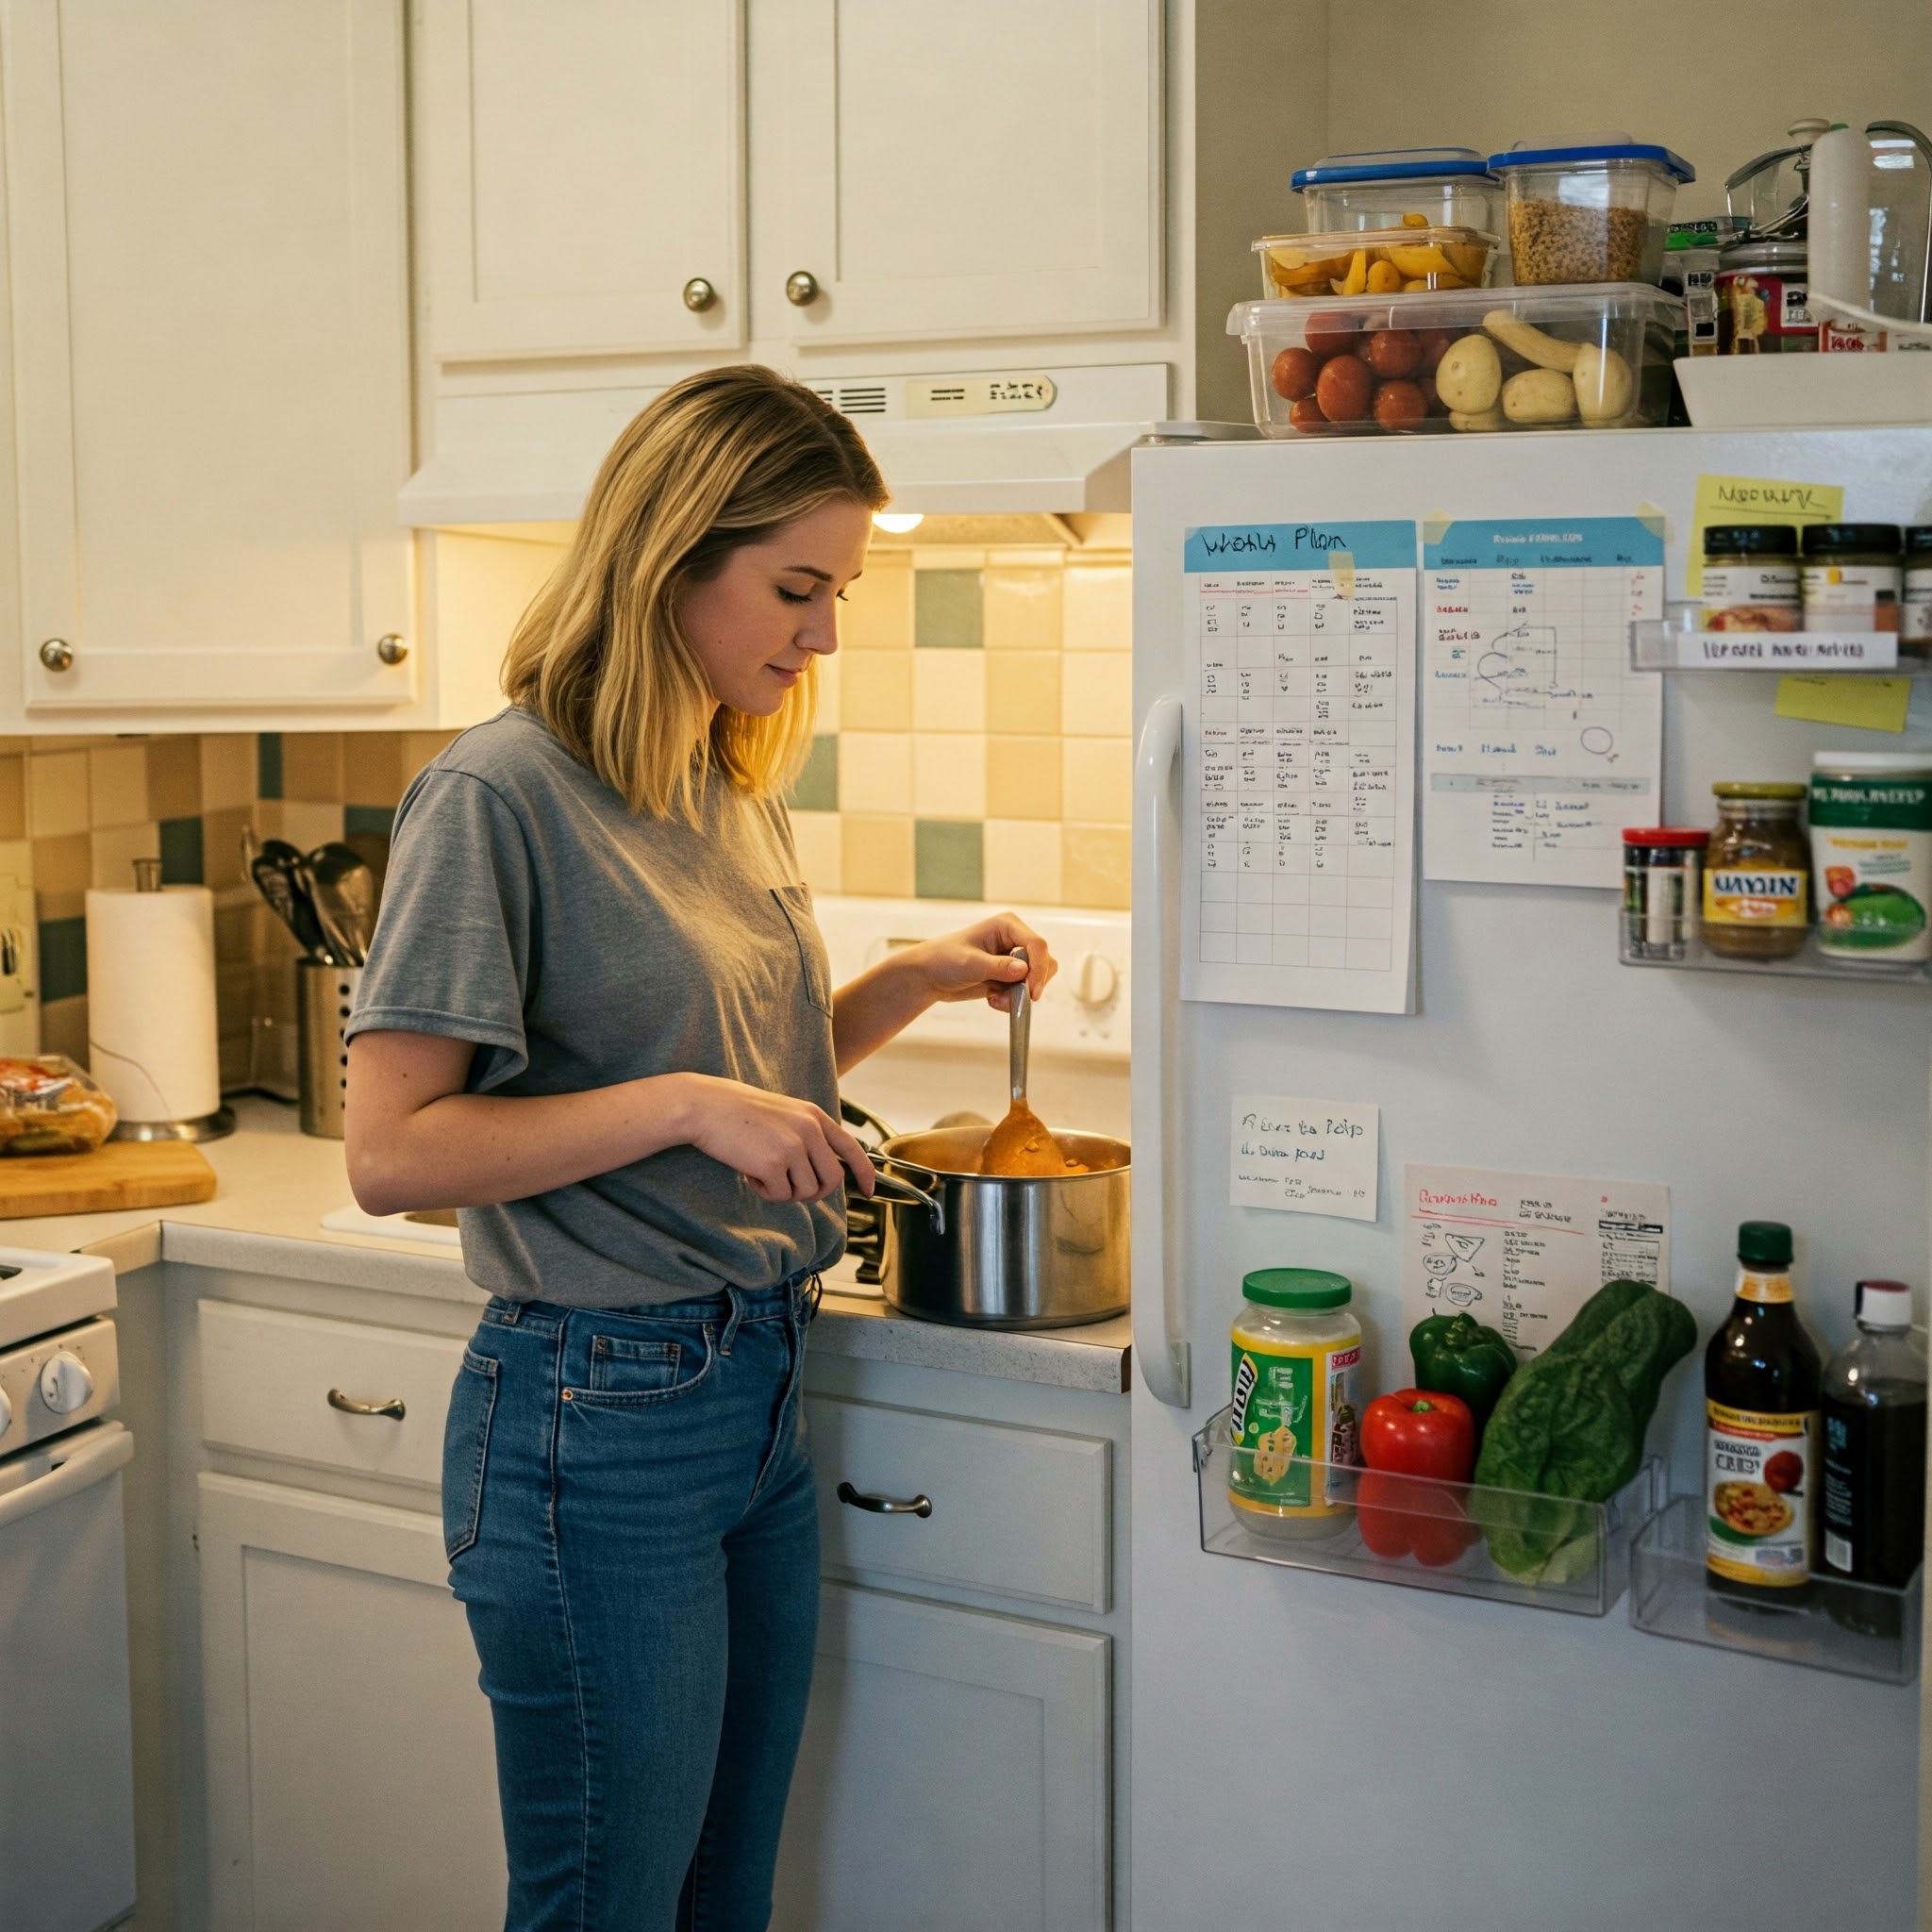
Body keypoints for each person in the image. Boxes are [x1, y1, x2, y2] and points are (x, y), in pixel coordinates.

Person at [342, 364, 1056, 1932]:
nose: (823, 634)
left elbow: (747, 1070)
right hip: (593, 1421)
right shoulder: (496, 795)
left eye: (839, 590)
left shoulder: (719, 776)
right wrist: (680, 1106)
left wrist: (909, 979)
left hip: (749, 1390)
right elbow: (390, 1152)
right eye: (796, 587)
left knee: (724, 1896)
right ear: (672, 558)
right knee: (608, 1902)